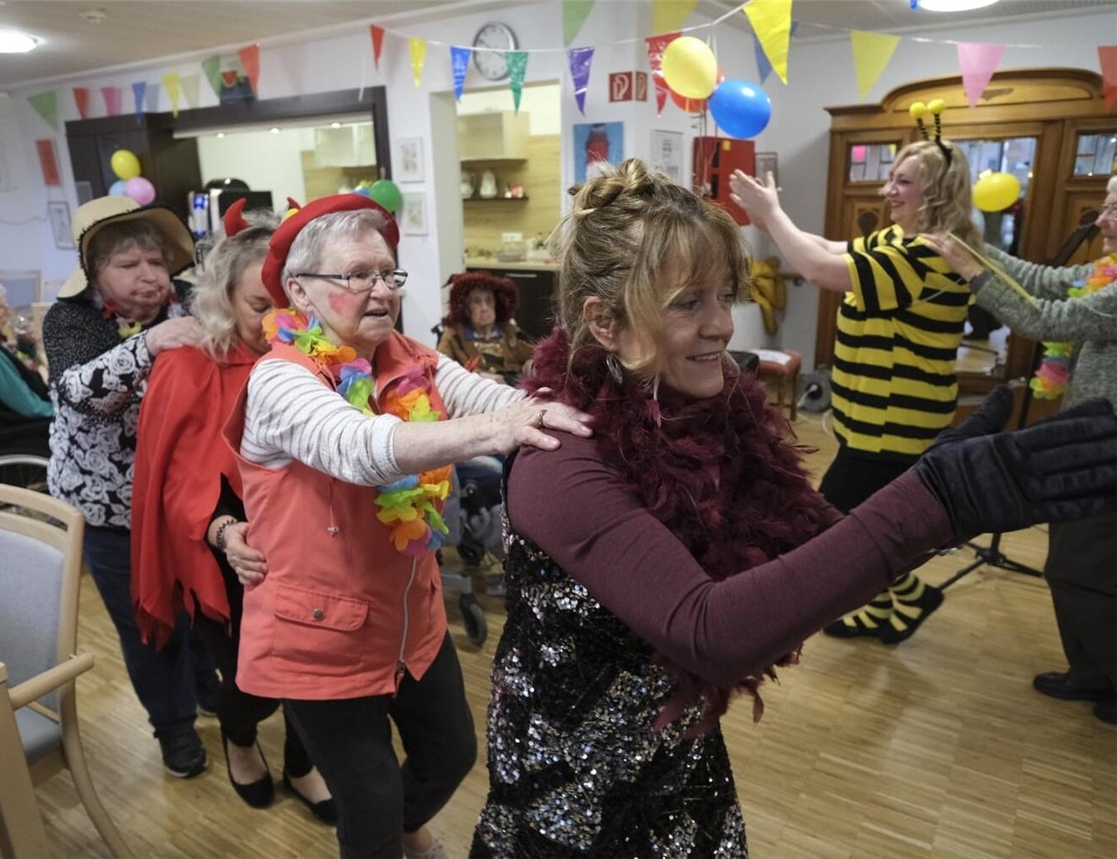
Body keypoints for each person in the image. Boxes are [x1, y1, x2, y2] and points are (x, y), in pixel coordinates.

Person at [470, 158, 1117, 857]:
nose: (723, 324)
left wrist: (941, 497)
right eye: (689, 303)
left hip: (681, 765)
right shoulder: (559, 454)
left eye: (726, 295)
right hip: (570, 796)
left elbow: (818, 545)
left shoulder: (707, 408)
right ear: (605, 321)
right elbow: (710, 631)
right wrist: (935, 501)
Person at [222, 193, 591, 859]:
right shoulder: (279, 379)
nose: (381, 289)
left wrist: (567, 415)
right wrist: (500, 430)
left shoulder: (405, 355)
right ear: (299, 290)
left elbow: (490, 397)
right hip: (321, 638)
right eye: (356, 274)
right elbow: (360, 448)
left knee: (452, 755)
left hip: (411, 619)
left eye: (387, 273)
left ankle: (401, 829)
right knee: (369, 804)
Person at [730, 126, 981, 644]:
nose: (889, 190)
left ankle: (906, 595)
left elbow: (820, 269)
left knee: (836, 525)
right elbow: (826, 247)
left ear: (937, 191)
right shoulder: (896, 239)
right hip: (869, 419)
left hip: (895, 426)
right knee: (872, 521)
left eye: (904, 181)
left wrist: (771, 216)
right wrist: (773, 215)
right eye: (892, 178)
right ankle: (889, 603)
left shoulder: (929, 254)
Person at [130, 200, 336, 817]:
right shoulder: (188, 363)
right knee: (251, 682)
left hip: (311, 549)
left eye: (287, 304)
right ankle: (240, 736)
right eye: (257, 306)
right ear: (223, 297)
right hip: (225, 561)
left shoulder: (321, 356)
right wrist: (226, 532)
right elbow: (177, 485)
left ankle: (301, 762)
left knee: (315, 674)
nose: (276, 322)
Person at [923, 174, 1117, 724]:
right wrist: (971, 241)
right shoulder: (1106, 271)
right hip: (1090, 442)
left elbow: (1043, 319)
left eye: (1115, 210)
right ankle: (1090, 673)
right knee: (1076, 565)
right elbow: (1041, 280)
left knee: (1079, 570)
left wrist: (970, 271)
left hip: (1108, 453)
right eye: (1105, 206)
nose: (1101, 220)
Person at [42, 195, 219, 778]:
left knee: (197, 605)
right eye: (128, 264)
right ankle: (173, 727)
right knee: (149, 623)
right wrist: (147, 345)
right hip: (111, 510)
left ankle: (204, 686)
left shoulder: (189, 302)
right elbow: (81, 393)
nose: (148, 275)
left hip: (185, 498)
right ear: (95, 274)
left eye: (155, 261)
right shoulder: (70, 319)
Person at [0, 274, 52, 453]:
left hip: (13, 424)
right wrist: (62, 410)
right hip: (17, 434)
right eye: (0, 306)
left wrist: (26, 346)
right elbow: (29, 407)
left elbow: (16, 372)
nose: (8, 312)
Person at [436, 271, 535, 384]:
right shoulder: (454, 334)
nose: (484, 308)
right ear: (467, 309)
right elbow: (442, 368)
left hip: (513, 385)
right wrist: (478, 376)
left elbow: (534, 352)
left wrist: (531, 362)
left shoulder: (508, 329)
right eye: (477, 302)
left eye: (489, 300)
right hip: (476, 388)